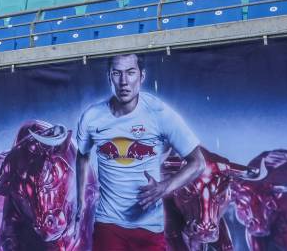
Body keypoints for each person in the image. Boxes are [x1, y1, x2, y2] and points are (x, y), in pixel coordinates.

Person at [75, 53, 205, 251]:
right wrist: (80, 200)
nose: (124, 81)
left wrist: (164, 187)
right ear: (109, 77)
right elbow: (82, 156)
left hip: (149, 227)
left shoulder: (159, 113)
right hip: (108, 225)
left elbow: (198, 162)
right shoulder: (92, 117)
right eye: (117, 73)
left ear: (142, 76)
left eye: (130, 72)